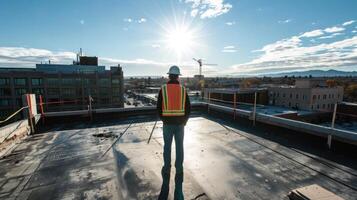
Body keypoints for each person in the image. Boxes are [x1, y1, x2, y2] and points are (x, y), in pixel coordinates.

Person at [157, 65, 190, 200]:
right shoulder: (183, 90)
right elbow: (188, 108)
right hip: (180, 125)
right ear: (178, 76)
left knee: (167, 147)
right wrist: (184, 121)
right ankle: (179, 168)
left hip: (167, 125)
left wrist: (164, 119)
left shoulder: (163, 89)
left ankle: (167, 167)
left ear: (169, 76)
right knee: (179, 147)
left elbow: (158, 108)